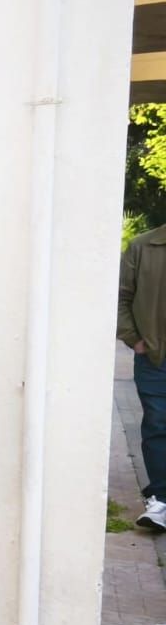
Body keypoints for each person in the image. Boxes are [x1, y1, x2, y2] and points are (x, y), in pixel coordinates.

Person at [118, 221, 166, 531]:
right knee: (158, 423)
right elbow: (121, 297)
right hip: (155, 357)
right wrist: (134, 339)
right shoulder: (142, 246)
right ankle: (161, 501)